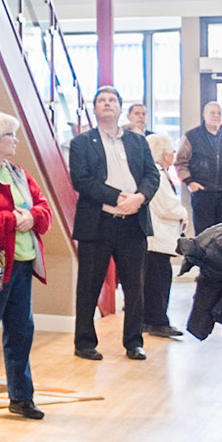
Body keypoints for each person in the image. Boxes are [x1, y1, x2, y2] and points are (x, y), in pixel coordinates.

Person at [66, 86, 159, 361]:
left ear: (120, 108)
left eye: (112, 100)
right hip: (98, 223)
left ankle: (133, 342)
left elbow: (152, 175)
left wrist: (139, 198)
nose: (107, 104)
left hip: (133, 223)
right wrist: (119, 198)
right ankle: (84, 342)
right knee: (88, 285)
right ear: (94, 109)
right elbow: (81, 180)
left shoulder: (138, 141)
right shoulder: (82, 143)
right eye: (101, 101)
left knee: (135, 288)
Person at [0, 114, 51, 420]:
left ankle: (21, 396)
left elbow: (43, 210)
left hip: (21, 266)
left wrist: (31, 218)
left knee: (21, 331)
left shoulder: (19, 173)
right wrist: (13, 219)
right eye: (11, 135)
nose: (16, 140)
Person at [143, 133, 194, 341]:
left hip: (155, 236)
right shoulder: (157, 174)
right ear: (164, 154)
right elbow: (166, 205)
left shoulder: (153, 172)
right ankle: (158, 321)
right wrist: (184, 213)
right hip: (158, 237)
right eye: (171, 151)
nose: (173, 155)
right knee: (159, 281)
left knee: (152, 280)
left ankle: (150, 320)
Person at [175, 102, 222, 232]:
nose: (216, 115)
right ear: (204, 115)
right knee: (204, 235)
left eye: (219, 113)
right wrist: (189, 182)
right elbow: (180, 162)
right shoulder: (191, 136)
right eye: (212, 112)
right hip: (202, 192)